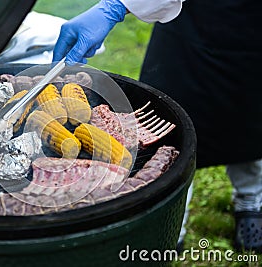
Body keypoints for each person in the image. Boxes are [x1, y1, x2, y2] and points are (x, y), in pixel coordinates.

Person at [52, 0, 262, 252]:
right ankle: (173, 219)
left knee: (251, 118)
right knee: (171, 126)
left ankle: (251, 199)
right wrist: (118, 5)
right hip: (191, 27)